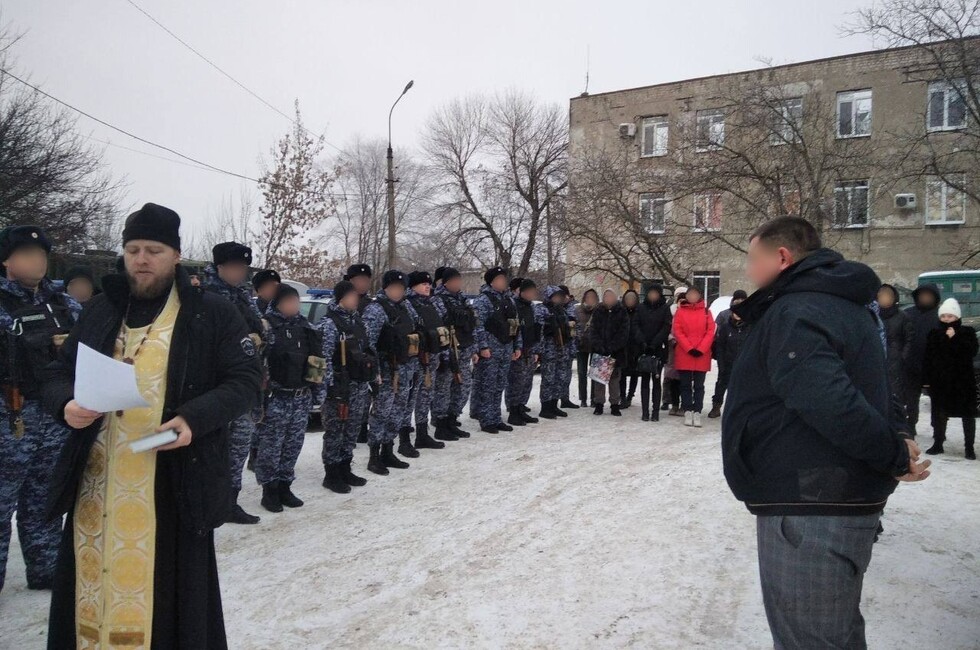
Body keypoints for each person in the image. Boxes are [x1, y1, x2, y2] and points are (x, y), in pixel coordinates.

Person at [42, 202, 263, 649]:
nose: (142, 259)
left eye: (154, 250)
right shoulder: (102, 310)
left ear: (176, 255)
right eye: (134, 249)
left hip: (172, 480)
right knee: (89, 591)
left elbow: (244, 381)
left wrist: (194, 419)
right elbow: (55, 373)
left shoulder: (211, 312)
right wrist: (65, 402)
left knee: (166, 602)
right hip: (97, 483)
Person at [722, 216, 928, 650]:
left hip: (811, 506)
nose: (748, 272)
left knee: (811, 640)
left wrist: (893, 452)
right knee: (834, 633)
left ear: (781, 257)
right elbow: (871, 384)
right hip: (827, 498)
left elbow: (830, 399)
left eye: (753, 260)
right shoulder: (846, 304)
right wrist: (896, 433)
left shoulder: (799, 308)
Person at [0, 225, 81, 594]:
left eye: (41, 255)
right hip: (10, 415)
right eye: (27, 254)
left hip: (55, 415)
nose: (37, 261)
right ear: (7, 260)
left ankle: (47, 568)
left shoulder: (64, 302)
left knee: (46, 496)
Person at [202, 242, 265, 525]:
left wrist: (260, 338)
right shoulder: (204, 296)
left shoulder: (243, 296)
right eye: (236, 267)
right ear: (220, 268)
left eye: (243, 268)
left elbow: (263, 330)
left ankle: (230, 502)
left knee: (238, 448)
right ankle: (207, 504)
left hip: (243, 386)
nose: (240, 273)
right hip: (214, 388)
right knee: (210, 451)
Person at [255, 285, 324, 512]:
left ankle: (285, 485)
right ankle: (269, 489)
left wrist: (317, 391)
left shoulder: (306, 327)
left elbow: (318, 360)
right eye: (289, 302)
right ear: (278, 303)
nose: (294, 306)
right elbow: (257, 364)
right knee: (271, 446)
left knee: (293, 444)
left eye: (296, 302)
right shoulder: (266, 327)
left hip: (301, 396)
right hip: (277, 397)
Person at [317, 280, 378, 493]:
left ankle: (345, 467)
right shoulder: (329, 324)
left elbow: (368, 351)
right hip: (339, 388)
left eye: (356, 297)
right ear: (340, 298)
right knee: (335, 430)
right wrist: (329, 389)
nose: (354, 300)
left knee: (351, 429)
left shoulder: (359, 322)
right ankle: (331, 473)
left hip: (359, 385)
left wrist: (373, 376)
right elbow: (324, 358)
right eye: (350, 297)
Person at [362, 270, 418, 473]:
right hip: (386, 371)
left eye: (401, 288)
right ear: (386, 288)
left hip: (405, 368)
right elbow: (369, 345)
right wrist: (374, 372)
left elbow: (414, 331)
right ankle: (374, 455)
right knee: (381, 412)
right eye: (394, 288)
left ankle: (388, 449)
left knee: (398, 412)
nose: (398, 291)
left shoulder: (406, 307)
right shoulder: (376, 310)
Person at [923, 298, 978, 459]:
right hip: (940, 381)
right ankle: (938, 443)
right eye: (944, 316)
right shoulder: (934, 333)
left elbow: (971, 352)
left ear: (957, 317)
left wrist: (955, 338)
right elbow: (928, 357)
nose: (947, 319)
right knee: (939, 413)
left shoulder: (967, 332)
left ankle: (969, 448)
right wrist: (926, 379)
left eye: (950, 316)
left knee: (967, 415)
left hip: (963, 382)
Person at [471, 267, 523, 433]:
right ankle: (486, 420)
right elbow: (478, 326)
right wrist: (483, 347)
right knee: (488, 386)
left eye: (504, 278)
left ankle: (496, 417)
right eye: (499, 279)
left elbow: (515, 325)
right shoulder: (483, 300)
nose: (503, 282)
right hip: (491, 350)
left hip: (506, 347)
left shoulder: (509, 300)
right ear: (491, 281)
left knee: (499, 385)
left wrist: (517, 346)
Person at [404, 271, 449, 451]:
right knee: (409, 399)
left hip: (432, 357)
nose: (427, 286)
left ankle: (423, 434)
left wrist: (444, 354)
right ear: (412, 286)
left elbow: (441, 329)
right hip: (415, 359)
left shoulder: (432, 304)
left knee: (425, 397)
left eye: (429, 284)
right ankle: (404, 435)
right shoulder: (408, 304)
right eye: (423, 284)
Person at [431, 267, 477, 440]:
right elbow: (439, 326)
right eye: (455, 280)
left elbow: (472, 323)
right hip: (449, 350)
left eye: (459, 280)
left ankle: (452, 419)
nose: (458, 283)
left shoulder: (463, 299)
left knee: (462, 387)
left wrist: (474, 348)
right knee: (443, 389)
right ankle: (440, 423)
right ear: (446, 282)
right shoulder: (438, 300)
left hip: (464, 349)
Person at [672, 286, 715, 427]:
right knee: (685, 385)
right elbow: (678, 331)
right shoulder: (680, 312)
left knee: (699, 385)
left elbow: (710, 331)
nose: (692, 297)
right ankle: (687, 410)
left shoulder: (706, 312)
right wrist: (689, 348)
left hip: (702, 354)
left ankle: (697, 410)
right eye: (690, 294)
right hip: (685, 353)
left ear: (699, 296)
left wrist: (701, 348)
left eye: (695, 294)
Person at [904, 283, 941, 436]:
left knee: (938, 401)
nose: (925, 298)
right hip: (911, 365)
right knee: (911, 400)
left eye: (929, 295)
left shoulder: (941, 316)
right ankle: (910, 426)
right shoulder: (907, 314)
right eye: (922, 295)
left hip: (935, 367)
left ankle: (938, 430)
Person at [506, 279, 542, 426]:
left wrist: (536, 349)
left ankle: (521, 408)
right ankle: (513, 412)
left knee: (526, 381)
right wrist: (516, 347)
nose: (530, 294)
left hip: (530, 348)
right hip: (518, 349)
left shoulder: (532, 306)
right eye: (528, 291)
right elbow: (514, 329)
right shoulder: (513, 304)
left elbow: (535, 328)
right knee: (516, 382)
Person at [708, 291, 750, 419]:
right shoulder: (725, 324)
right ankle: (716, 405)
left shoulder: (750, 325)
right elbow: (719, 344)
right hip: (727, 360)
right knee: (722, 384)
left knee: (742, 387)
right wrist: (720, 361)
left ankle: (740, 409)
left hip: (744, 362)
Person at [588, 288, 628, 416]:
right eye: (606, 296)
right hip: (600, 350)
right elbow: (592, 330)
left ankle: (615, 404)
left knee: (614, 380)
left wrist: (613, 347)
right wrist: (599, 346)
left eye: (611, 296)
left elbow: (624, 332)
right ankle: (599, 403)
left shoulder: (622, 312)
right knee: (599, 380)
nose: (609, 299)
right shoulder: (598, 311)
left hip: (616, 351)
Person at [346, 263, 374, 445]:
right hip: (348, 362)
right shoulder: (343, 302)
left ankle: (362, 428)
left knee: (365, 398)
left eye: (366, 280)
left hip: (366, 359)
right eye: (359, 280)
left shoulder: (371, 304)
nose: (362, 283)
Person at [636, 284, 672, 422]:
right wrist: (643, 342)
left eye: (655, 293)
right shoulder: (641, 308)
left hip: (657, 349)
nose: (653, 296)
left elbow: (666, 326)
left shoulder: (664, 308)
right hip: (643, 349)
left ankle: (655, 412)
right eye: (650, 293)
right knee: (644, 381)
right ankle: (645, 411)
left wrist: (655, 342)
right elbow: (635, 325)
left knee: (656, 380)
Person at [877, 284, 914, 416]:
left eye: (888, 296)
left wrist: (902, 356)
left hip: (896, 360)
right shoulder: (873, 315)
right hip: (877, 358)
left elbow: (909, 339)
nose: (885, 299)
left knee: (896, 394)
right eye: (881, 296)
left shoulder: (903, 316)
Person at [537, 286, 572, 419]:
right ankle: (545, 407)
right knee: (548, 379)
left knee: (559, 378)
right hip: (549, 349)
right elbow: (539, 330)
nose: (558, 299)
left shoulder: (561, 310)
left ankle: (554, 404)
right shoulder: (542, 309)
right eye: (555, 296)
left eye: (559, 296)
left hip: (561, 349)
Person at [661, 286, 687, 413]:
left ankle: (683, 403)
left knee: (684, 378)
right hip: (671, 347)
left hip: (685, 349)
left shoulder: (689, 311)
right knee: (669, 376)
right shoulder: (669, 310)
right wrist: (670, 338)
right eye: (679, 296)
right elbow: (664, 326)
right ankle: (667, 400)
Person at [574, 289, 599, 407]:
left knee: (594, 373)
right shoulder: (577, 310)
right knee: (581, 373)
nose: (590, 299)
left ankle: (594, 398)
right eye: (588, 297)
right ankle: (583, 398)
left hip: (595, 345)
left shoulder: (599, 310)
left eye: (593, 297)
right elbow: (574, 326)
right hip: (581, 345)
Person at [618, 289, 642, 408]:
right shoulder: (621, 312)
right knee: (621, 373)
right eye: (627, 299)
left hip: (636, 348)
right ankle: (622, 396)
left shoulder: (640, 312)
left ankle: (630, 396)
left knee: (634, 373)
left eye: (632, 298)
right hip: (623, 347)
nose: (630, 301)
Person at [558, 285, 580, 410]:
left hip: (570, 346)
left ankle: (565, 398)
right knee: (558, 375)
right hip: (560, 346)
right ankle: (556, 398)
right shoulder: (557, 307)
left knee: (566, 374)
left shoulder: (573, 307)